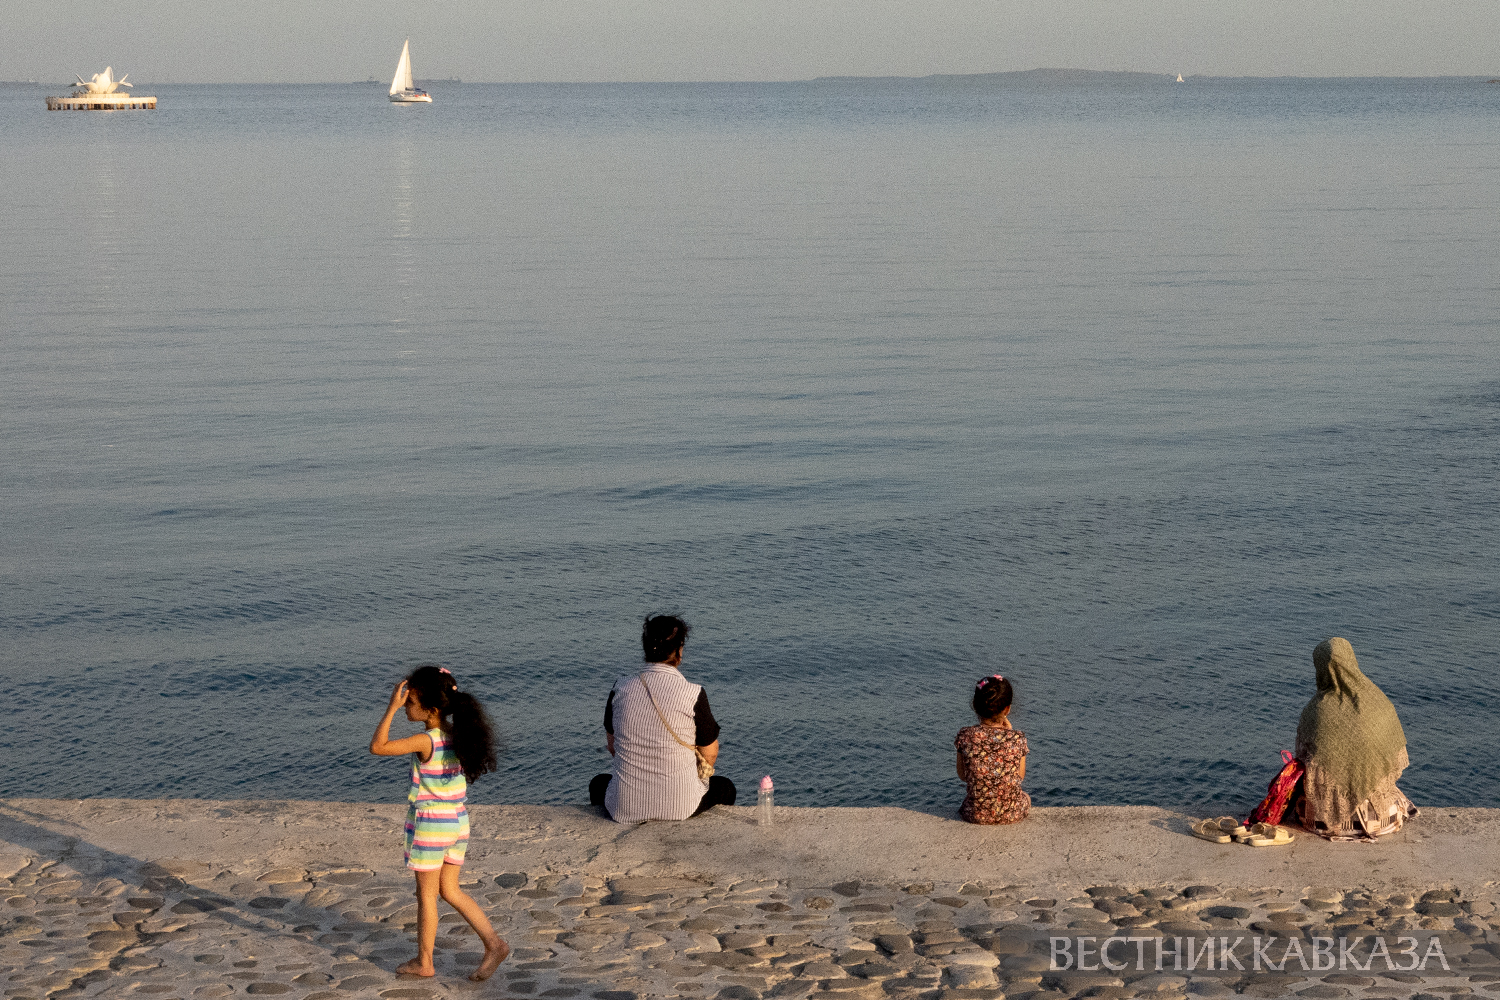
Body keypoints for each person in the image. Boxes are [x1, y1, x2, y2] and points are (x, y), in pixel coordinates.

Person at [370, 665, 509, 980]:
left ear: (431, 708)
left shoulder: (426, 740)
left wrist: (390, 708)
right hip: (458, 820)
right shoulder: (458, 735)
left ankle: (425, 962)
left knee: (426, 896)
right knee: (450, 890)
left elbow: (378, 746)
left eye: (410, 702)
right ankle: (494, 944)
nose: (406, 706)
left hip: (432, 824)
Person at [590, 615, 736, 823]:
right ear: (679, 650)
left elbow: (614, 747)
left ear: (645, 648)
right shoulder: (693, 694)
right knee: (725, 787)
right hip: (680, 806)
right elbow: (710, 754)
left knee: (598, 783)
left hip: (625, 807)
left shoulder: (620, 689)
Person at [1292, 637, 1418, 841]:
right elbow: (1395, 758)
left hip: (1324, 823)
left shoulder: (1317, 710)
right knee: (1389, 793)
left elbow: (1302, 759)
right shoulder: (1378, 701)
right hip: (1382, 819)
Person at [955, 674, 1030, 824]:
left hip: (974, 814)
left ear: (975, 705)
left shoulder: (965, 736)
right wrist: (1009, 732)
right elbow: (1019, 777)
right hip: (1011, 815)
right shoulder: (1018, 738)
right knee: (1026, 797)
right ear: (1007, 709)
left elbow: (963, 775)